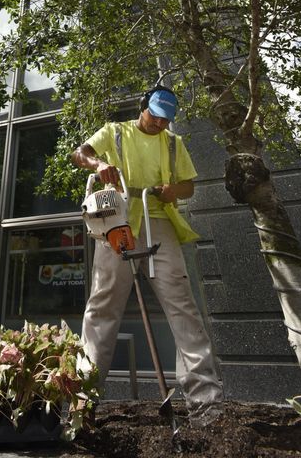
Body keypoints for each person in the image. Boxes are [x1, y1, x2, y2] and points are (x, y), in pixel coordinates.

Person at [71, 85, 223, 426]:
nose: (160, 124)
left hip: (158, 222)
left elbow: (189, 186)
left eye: (166, 119)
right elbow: (79, 153)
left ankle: (206, 403)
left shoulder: (173, 143)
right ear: (143, 107)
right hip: (118, 222)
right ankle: (82, 401)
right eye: (155, 115)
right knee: (103, 307)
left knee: (182, 305)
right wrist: (99, 164)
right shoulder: (116, 132)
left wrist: (173, 191)